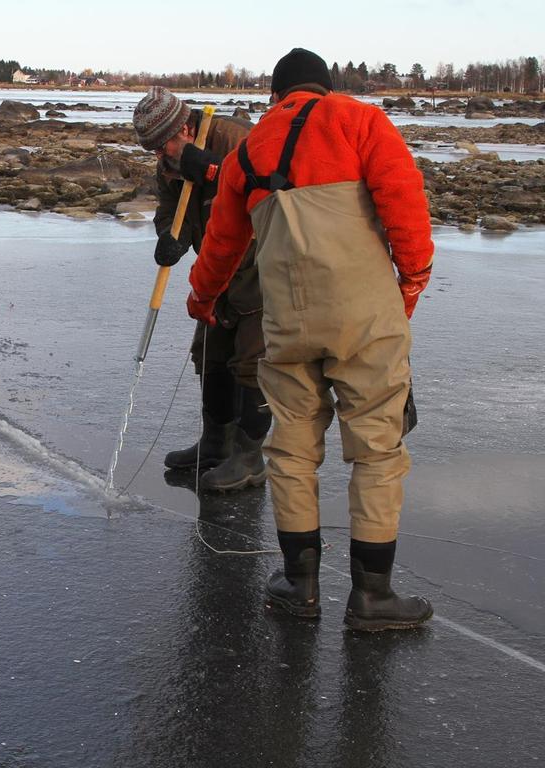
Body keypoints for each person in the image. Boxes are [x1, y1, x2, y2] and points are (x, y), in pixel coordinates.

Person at [185, 48, 435, 631]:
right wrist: (411, 287)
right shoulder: (360, 121)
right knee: (378, 448)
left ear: (276, 96)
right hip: (365, 320)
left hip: (286, 325)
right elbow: (406, 210)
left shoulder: (249, 151)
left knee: (292, 450)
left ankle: (299, 586)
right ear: (326, 87)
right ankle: (372, 597)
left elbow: (221, 246)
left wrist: (202, 302)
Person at [132, 87, 270, 492]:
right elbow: (169, 212)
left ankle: (249, 457)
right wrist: (168, 238)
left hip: (260, 266)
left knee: (253, 359)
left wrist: (209, 168)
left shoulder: (237, 139)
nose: (159, 157)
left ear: (186, 128)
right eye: (152, 151)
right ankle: (215, 444)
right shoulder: (169, 162)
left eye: (162, 146)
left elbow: (266, 189)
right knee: (208, 352)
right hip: (214, 268)